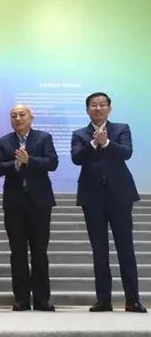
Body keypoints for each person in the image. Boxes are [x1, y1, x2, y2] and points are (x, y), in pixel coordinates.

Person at [71, 92, 146, 313]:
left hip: (119, 196)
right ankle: (103, 300)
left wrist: (107, 142)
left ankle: (132, 300)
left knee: (126, 248)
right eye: (94, 105)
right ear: (87, 110)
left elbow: (126, 152)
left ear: (109, 109)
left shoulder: (121, 129)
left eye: (102, 105)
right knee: (99, 250)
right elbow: (76, 158)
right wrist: (93, 144)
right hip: (92, 197)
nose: (98, 108)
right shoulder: (79, 134)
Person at [0, 105, 57, 311]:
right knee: (18, 253)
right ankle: (21, 298)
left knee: (40, 252)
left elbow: (52, 162)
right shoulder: (4, 141)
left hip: (39, 203)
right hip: (14, 204)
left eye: (22, 115)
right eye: (14, 116)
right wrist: (15, 164)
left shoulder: (43, 138)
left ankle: (41, 298)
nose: (18, 118)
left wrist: (29, 160)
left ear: (31, 118)